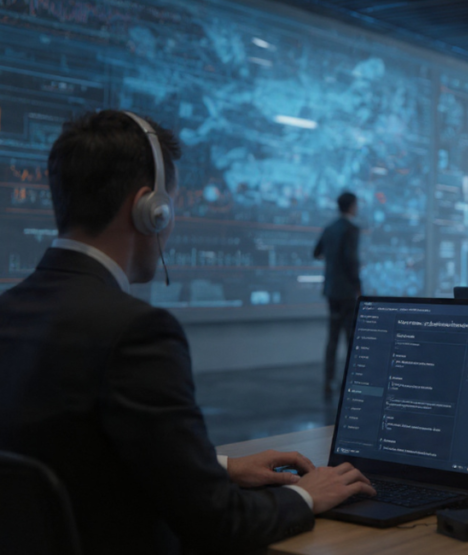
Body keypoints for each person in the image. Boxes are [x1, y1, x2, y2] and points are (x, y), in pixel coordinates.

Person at [0, 110, 375, 555]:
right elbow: (220, 524)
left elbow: (76, 452)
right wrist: (309, 494)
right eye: (171, 204)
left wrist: (218, 467)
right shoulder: (137, 331)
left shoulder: (10, 311)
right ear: (149, 210)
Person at [314, 191, 362, 400]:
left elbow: (316, 253)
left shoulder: (329, 228)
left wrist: (331, 260)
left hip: (331, 291)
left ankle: (328, 381)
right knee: (351, 339)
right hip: (346, 292)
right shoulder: (351, 229)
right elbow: (351, 260)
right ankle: (352, 381)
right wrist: (358, 286)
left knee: (332, 339)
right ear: (351, 206)